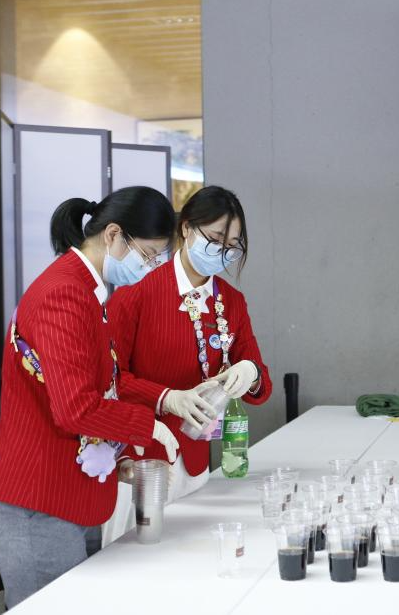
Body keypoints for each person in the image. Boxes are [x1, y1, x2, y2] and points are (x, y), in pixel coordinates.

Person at [0, 187, 181, 608]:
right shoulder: (64, 293)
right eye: (147, 255)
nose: (149, 268)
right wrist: (148, 425)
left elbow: (100, 384)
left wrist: (121, 451)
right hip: (37, 503)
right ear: (114, 235)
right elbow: (76, 408)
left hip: (67, 498)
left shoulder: (89, 291)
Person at [103, 186, 271, 542]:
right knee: (133, 558)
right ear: (186, 228)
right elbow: (110, 379)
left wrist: (250, 372)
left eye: (232, 245)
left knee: (191, 558)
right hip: (139, 461)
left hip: (195, 461)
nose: (222, 252)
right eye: (215, 239)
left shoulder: (231, 301)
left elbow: (260, 383)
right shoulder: (138, 290)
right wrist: (167, 398)